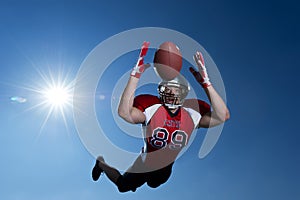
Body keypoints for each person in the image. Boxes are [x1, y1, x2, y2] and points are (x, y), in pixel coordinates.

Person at [92, 41, 230, 192]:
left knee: (154, 183)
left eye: (175, 89)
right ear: (161, 91)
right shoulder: (153, 108)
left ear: (183, 93)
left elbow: (223, 115)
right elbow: (124, 113)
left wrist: (206, 83)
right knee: (123, 186)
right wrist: (134, 76)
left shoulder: (191, 114)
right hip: (144, 162)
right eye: (167, 88)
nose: (170, 92)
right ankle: (101, 164)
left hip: (165, 168)